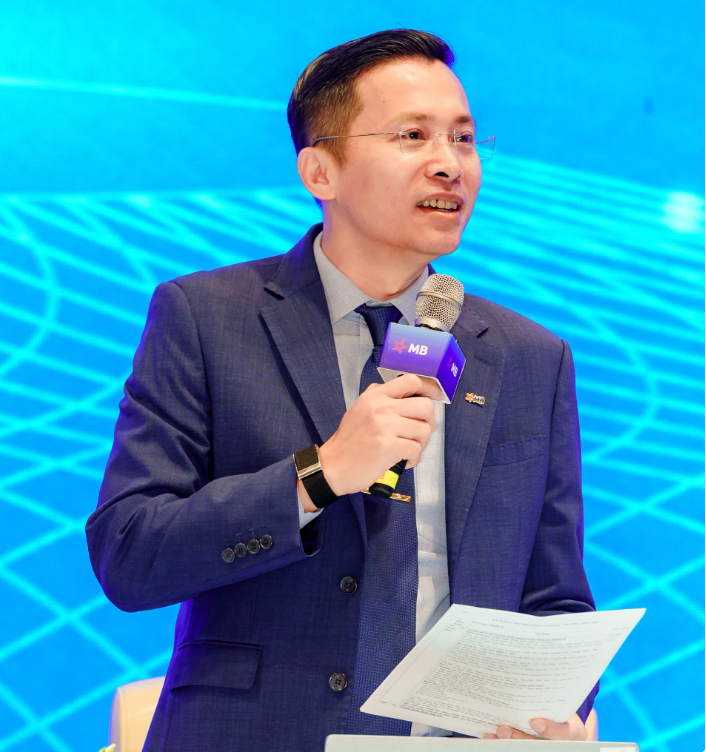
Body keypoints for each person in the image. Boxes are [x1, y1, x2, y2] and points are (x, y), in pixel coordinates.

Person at [86, 29, 597, 751]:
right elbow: (129, 554)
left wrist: (555, 707)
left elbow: (554, 597)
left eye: (463, 138)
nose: (449, 164)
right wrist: (319, 475)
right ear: (320, 170)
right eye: (412, 136)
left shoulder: (528, 357)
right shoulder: (206, 318)